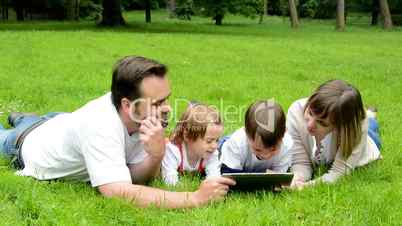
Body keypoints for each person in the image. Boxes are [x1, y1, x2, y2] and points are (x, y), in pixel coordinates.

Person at [0, 56, 235, 208]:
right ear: (127, 105)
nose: (167, 109)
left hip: (60, 123)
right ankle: (21, 121)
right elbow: (117, 190)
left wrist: (156, 155)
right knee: (11, 133)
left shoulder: (145, 118)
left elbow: (135, 176)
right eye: (158, 102)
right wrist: (193, 198)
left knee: (54, 120)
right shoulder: (100, 125)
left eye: (167, 99)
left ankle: (23, 117)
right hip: (25, 143)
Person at [287, 79, 382, 189]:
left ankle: (369, 116)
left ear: (339, 126)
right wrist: (297, 179)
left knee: (370, 127)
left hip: (367, 140)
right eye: (310, 113)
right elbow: (300, 161)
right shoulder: (296, 111)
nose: (309, 126)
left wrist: (307, 187)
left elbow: (339, 172)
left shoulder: (354, 128)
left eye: (322, 123)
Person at [219, 100, 293, 174]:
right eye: (258, 150)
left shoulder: (287, 144)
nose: (265, 155)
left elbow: (279, 178)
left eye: (273, 149)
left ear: (284, 133)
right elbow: (230, 176)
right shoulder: (236, 143)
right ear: (246, 134)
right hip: (227, 149)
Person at [161, 102, 223, 186]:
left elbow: (214, 178)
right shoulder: (173, 151)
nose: (214, 146)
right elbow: (169, 180)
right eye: (209, 141)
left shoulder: (211, 153)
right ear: (187, 136)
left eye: (217, 140)